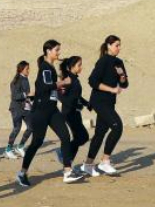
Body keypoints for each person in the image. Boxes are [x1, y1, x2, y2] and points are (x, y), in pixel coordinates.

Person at [16, 40, 89, 188]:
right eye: (56, 50)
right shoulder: (45, 68)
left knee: (65, 136)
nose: (58, 53)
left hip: (53, 110)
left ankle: (67, 172)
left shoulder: (50, 68)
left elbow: (50, 89)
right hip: (40, 111)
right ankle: (22, 173)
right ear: (48, 51)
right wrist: (63, 83)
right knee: (36, 142)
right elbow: (45, 87)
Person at [82, 35, 128, 177]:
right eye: (116, 45)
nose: (119, 48)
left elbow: (125, 84)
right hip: (99, 101)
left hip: (109, 102)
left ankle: (88, 165)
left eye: (120, 45)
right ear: (108, 46)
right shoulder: (103, 61)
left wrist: (122, 79)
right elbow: (92, 81)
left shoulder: (119, 62)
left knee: (100, 133)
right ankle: (105, 161)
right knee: (117, 126)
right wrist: (111, 89)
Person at [58, 55, 91, 168]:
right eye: (79, 65)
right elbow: (61, 97)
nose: (81, 67)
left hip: (76, 113)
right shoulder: (67, 79)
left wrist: (87, 104)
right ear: (72, 66)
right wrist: (75, 104)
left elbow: (76, 96)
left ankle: (68, 162)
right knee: (83, 137)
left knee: (80, 138)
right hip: (69, 113)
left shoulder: (75, 79)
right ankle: (63, 153)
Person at [5, 61, 33, 158]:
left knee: (31, 127)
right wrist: (27, 94)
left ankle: (20, 146)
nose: (28, 71)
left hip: (26, 108)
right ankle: (8, 149)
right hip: (16, 108)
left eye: (28, 69)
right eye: (27, 69)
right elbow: (15, 96)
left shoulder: (26, 79)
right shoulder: (16, 80)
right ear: (21, 69)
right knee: (17, 128)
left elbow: (27, 95)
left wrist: (32, 100)